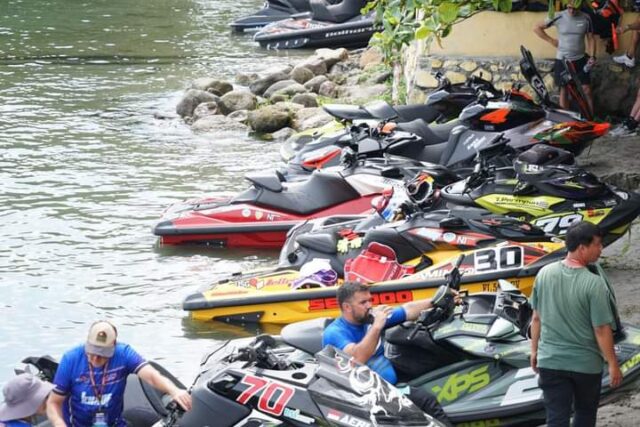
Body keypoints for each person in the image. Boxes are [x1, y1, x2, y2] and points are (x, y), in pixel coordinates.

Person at [322, 281, 459, 425]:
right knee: (426, 401)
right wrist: (376, 326)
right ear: (347, 307)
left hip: (387, 385)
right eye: (363, 302)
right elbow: (357, 358)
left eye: (370, 300)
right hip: (367, 396)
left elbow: (408, 310)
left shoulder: (368, 318)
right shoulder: (335, 332)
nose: (369, 306)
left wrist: (437, 301)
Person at [530, 222, 622, 427]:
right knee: (585, 416)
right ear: (582, 247)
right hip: (585, 366)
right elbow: (601, 329)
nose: (601, 249)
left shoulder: (544, 273)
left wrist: (534, 351)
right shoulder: (593, 283)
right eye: (597, 245)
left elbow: (536, 318)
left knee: (556, 419)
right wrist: (613, 364)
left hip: (551, 362)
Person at [47, 321, 192, 427]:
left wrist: (174, 390)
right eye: (93, 352)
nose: (96, 358)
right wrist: (59, 424)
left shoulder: (124, 354)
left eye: (102, 354)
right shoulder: (71, 359)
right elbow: (54, 402)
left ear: (114, 346)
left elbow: (151, 376)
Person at [534, 0, 596, 115]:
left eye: (574, 8)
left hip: (580, 60)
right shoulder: (558, 16)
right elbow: (537, 28)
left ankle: (592, 117)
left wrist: (593, 56)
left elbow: (591, 38)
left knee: (587, 90)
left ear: (580, 6)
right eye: (569, 8)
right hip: (563, 60)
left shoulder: (586, 18)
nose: (571, 11)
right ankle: (565, 119)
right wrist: (551, 41)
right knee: (564, 90)